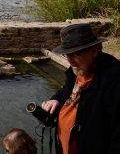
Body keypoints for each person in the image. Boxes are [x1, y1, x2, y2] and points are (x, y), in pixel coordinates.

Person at [41, 23, 120, 154]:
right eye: (67, 54)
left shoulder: (113, 80)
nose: (70, 60)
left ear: (94, 51)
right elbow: (65, 91)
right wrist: (55, 100)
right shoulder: (76, 70)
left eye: (75, 54)